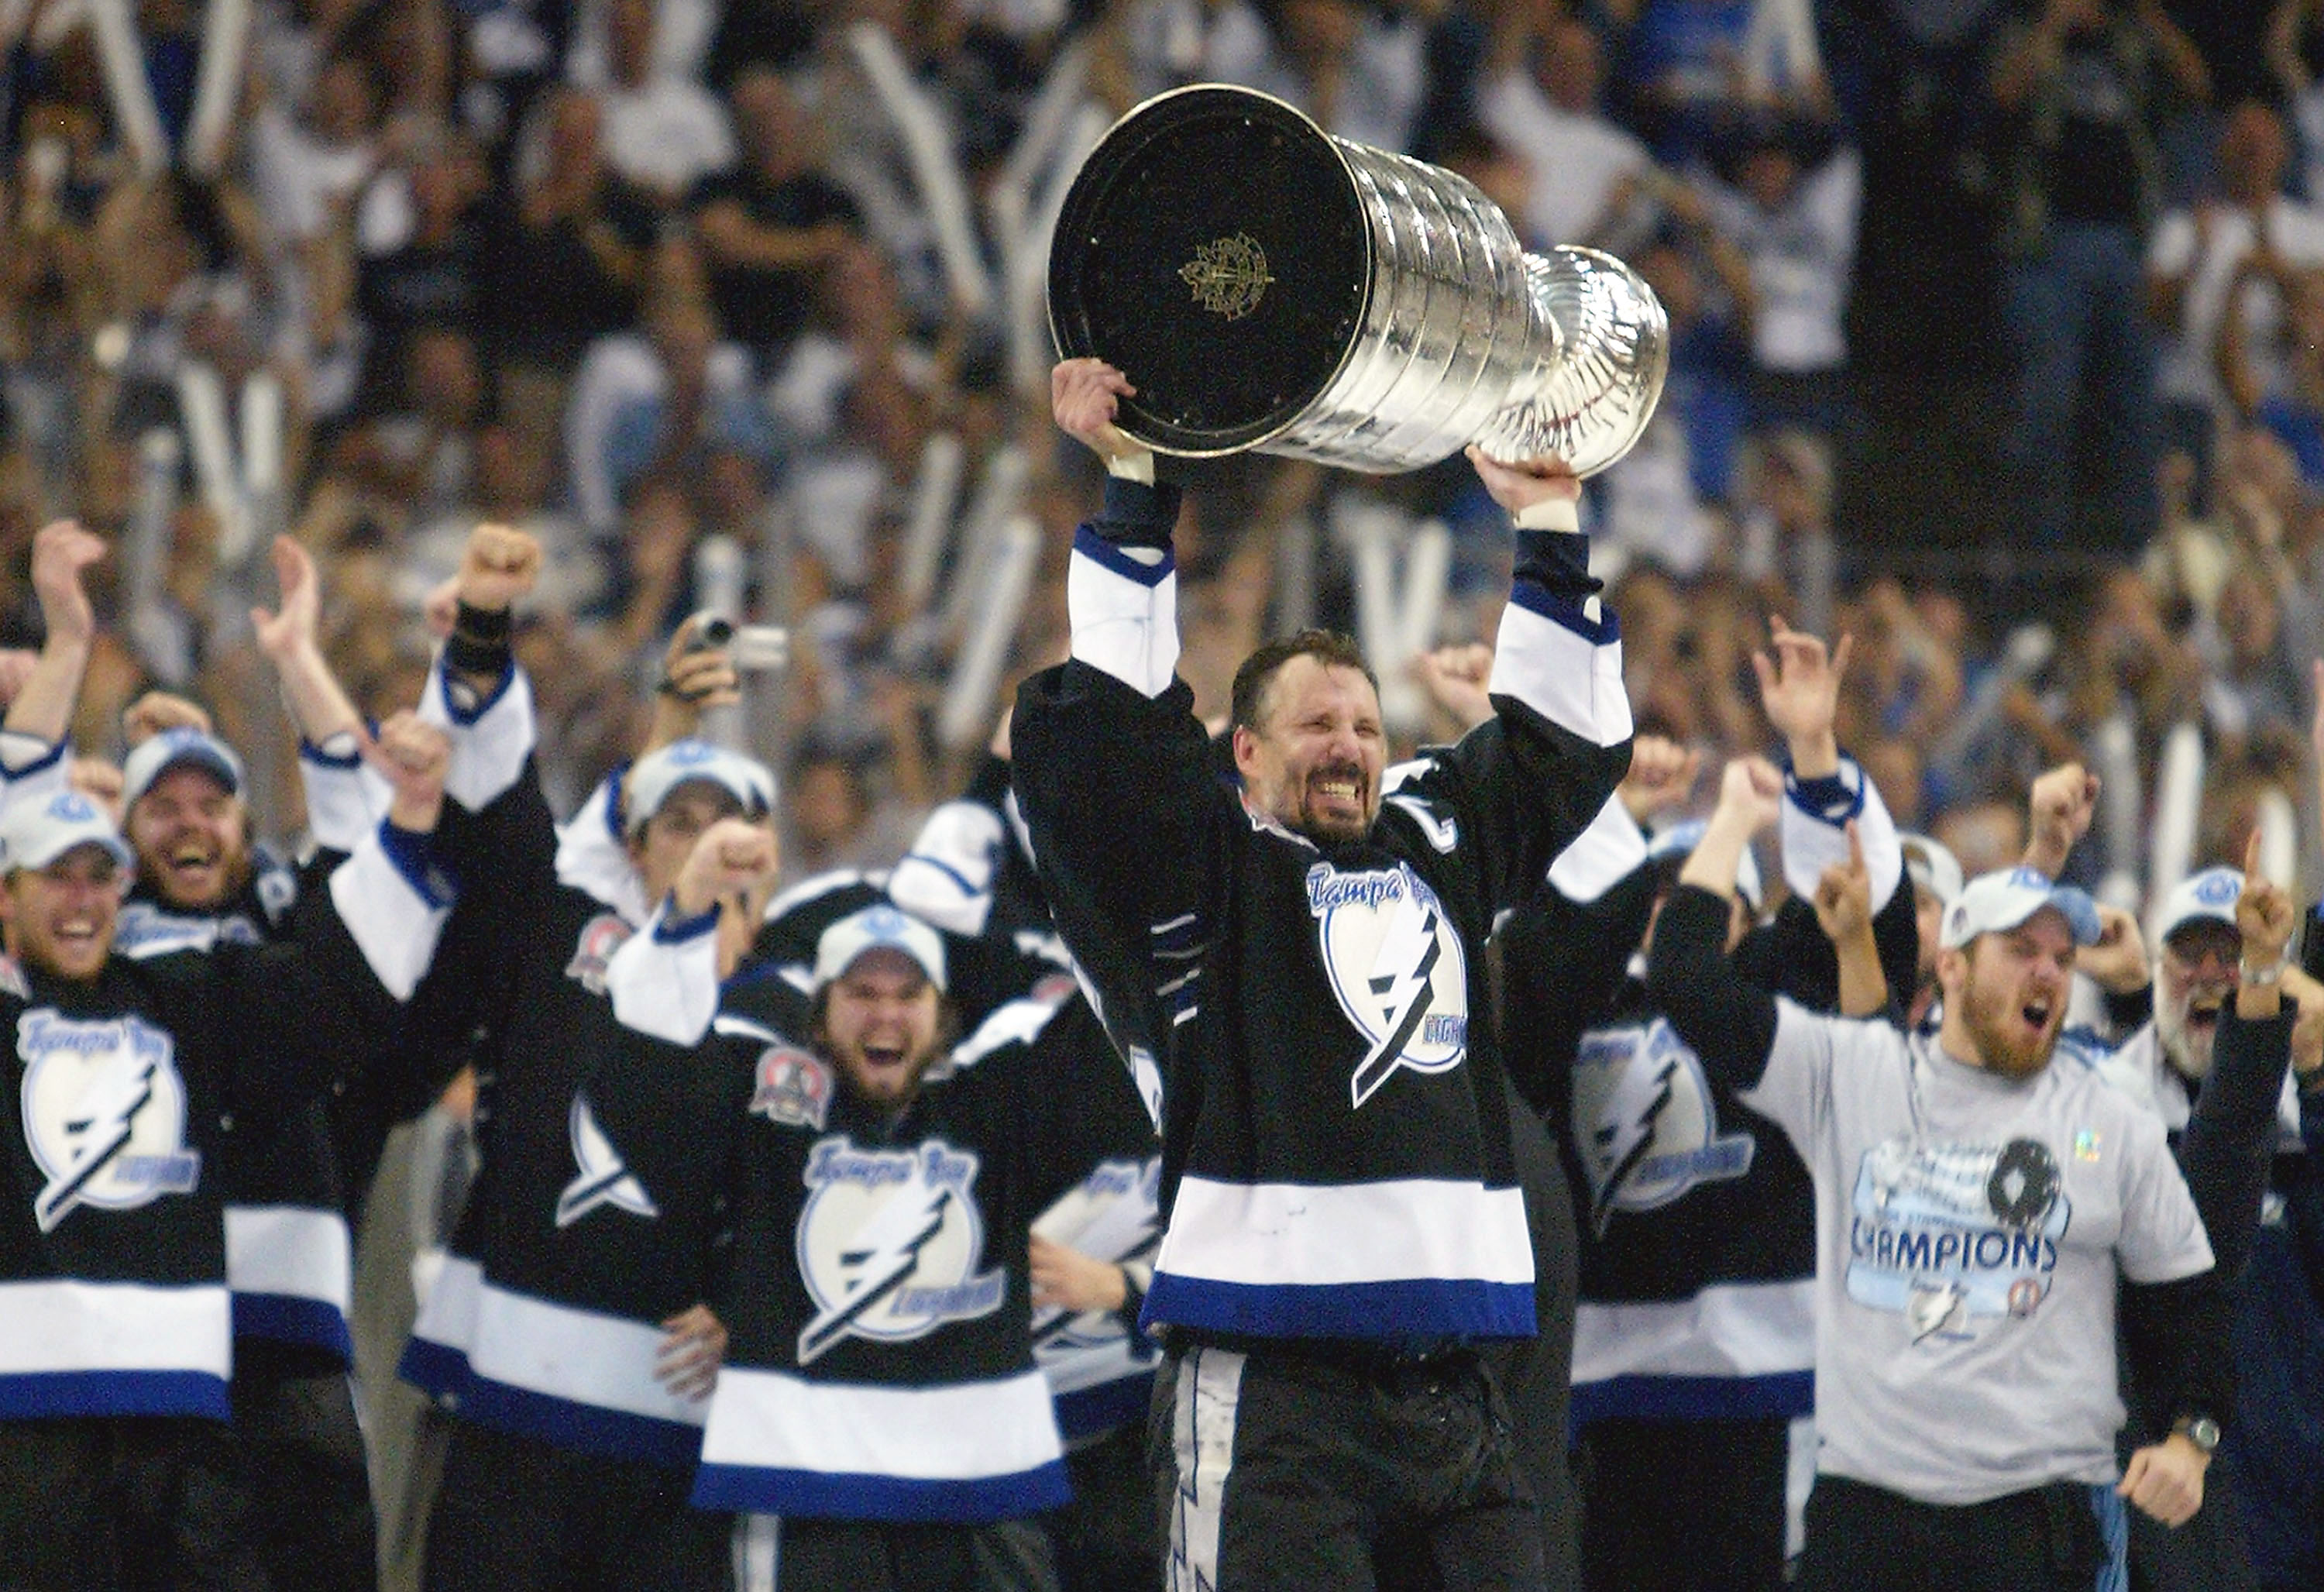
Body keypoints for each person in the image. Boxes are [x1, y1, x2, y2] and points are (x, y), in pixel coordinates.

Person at [1012, 357, 1633, 1588]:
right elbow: (1118, 739)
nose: (1348, 745)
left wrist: (1550, 518)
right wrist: (1136, 482)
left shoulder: (1438, 832)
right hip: (1270, 1389)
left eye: (1364, 725)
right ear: (1243, 752)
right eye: (1314, 726)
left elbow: (1567, 746)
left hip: (1458, 1390)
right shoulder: (1211, 866)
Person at [0, 524, 460, 1590]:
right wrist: (68, 642)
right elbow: (16, 823)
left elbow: (362, 966)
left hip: (186, 1410)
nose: (79, 897)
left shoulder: (194, 992)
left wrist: (415, 816)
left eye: (95, 876)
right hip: (29, 1422)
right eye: (54, 879)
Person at [1647, 758, 2235, 1591]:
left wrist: (2192, 1438)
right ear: (1952, 967)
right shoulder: (1856, 1076)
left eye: (2062, 959)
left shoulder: (2110, 1120)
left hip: (2038, 1526)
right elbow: (1686, 980)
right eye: (2021, 950)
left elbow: (2196, 1304)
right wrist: (1737, 818)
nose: (2047, 972)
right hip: (1868, 1522)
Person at [379, 524, 783, 1592]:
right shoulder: (568, 949)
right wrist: (674, 717)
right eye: (676, 822)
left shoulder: (808, 1010)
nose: (699, 842)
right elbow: (550, 841)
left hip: (679, 1444)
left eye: (723, 826)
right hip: (513, 1410)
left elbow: (810, 1198)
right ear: (637, 849)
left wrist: (759, 1301)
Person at [1502, 620, 1919, 1592]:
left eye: (1691, 902)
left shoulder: (1767, 992)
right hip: (1603, 1387)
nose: (1663, 921)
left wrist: (1814, 758)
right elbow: (1541, 951)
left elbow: (1861, 933)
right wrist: (1616, 814)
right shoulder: (1579, 994)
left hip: (1749, 1383)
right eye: (1648, 900)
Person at [651, 902, 1130, 1591]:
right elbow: (649, 1116)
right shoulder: (766, 1114)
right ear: (817, 1015)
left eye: (910, 995)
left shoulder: (996, 1106)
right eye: (862, 994)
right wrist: (728, 1296)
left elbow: (1109, 1021)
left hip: (981, 1496)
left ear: (942, 1015)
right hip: (804, 1493)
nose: (886, 1015)